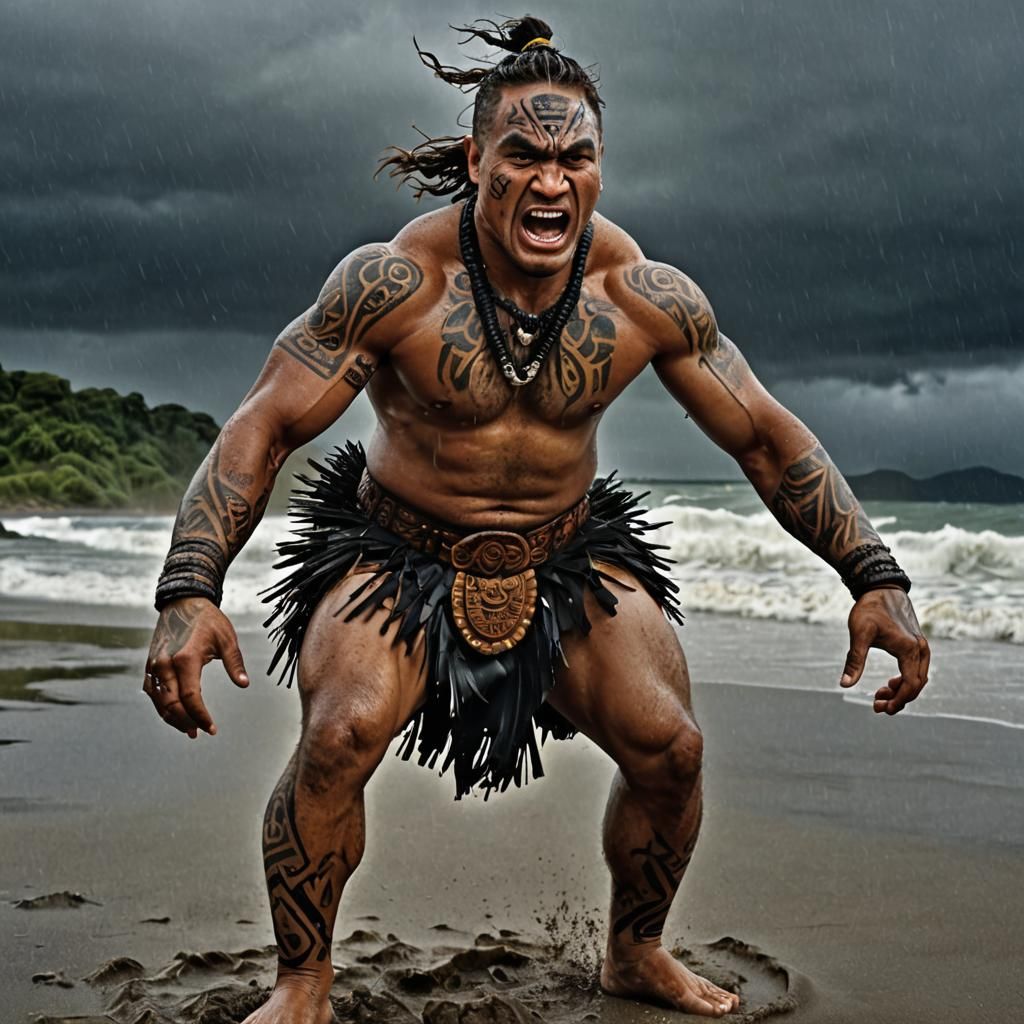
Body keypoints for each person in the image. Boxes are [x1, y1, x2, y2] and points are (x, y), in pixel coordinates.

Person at [143, 16, 930, 1022]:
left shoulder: (644, 297)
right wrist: (189, 587)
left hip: (565, 554)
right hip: (397, 550)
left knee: (673, 749)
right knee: (339, 735)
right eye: (523, 154)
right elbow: (264, 424)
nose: (551, 181)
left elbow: (767, 440)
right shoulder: (394, 284)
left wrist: (875, 574)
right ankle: (304, 982)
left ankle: (634, 951)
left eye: (575, 158)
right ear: (477, 161)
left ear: (598, 168)